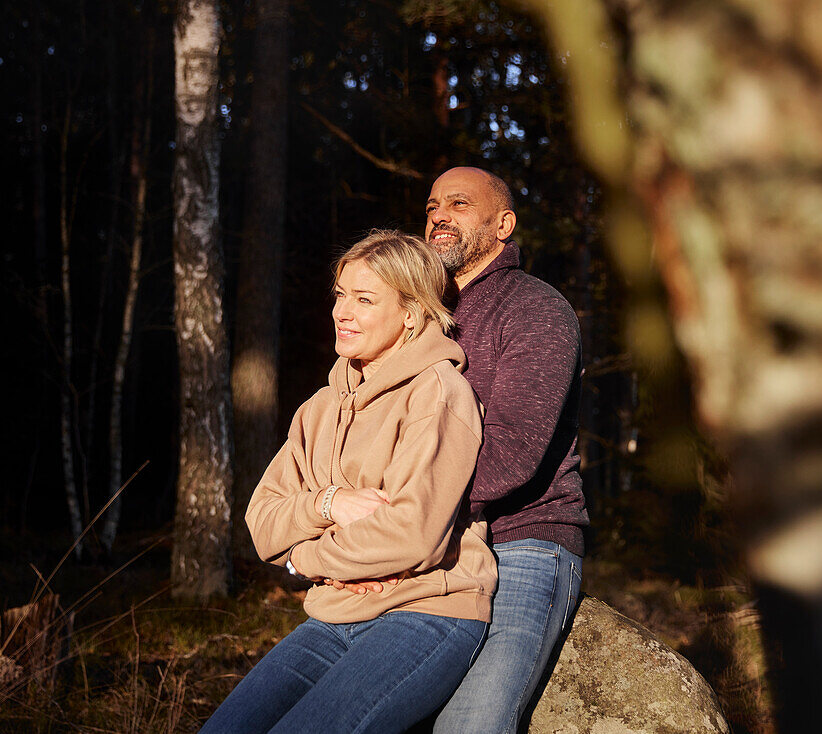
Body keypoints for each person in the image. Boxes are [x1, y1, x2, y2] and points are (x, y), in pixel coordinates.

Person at [198, 230, 497, 734]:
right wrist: (328, 503)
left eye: (364, 299)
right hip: (334, 614)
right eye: (340, 295)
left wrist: (305, 559)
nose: (342, 312)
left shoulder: (438, 395)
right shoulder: (319, 407)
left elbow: (412, 536)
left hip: (426, 614)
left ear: (411, 313)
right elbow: (262, 518)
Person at [336, 167, 589, 732]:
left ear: (505, 224)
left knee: (468, 724)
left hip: (522, 542)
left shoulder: (536, 310)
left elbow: (513, 454)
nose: (438, 217)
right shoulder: (412, 317)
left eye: (458, 204)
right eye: (430, 208)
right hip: (424, 539)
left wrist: (403, 524)